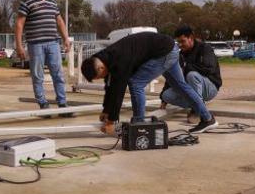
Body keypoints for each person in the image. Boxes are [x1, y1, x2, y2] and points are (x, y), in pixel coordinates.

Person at [80, 31, 217, 136]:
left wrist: (111, 121)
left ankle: (140, 126)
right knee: (181, 86)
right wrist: (106, 110)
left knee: (136, 84)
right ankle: (208, 119)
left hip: (163, 52)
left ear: (100, 68)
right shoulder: (106, 59)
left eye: (99, 76)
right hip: (168, 49)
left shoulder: (119, 61)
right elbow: (110, 87)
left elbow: (119, 91)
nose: (103, 77)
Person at [15, 0, 72, 110]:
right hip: (36, 44)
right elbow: (19, 24)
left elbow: (60, 21)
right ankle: (43, 103)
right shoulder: (27, 1)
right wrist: (19, 46)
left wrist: (66, 38)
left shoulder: (52, 2)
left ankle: (62, 103)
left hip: (53, 43)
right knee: (37, 76)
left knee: (58, 74)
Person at [161, 25, 221, 121]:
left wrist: (186, 67)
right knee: (166, 95)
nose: (180, 44)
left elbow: (209, 69)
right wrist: (163, 101)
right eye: (178, 42)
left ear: (191, 38)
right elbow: (172, 77)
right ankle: (197, 103)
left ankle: (197, 110)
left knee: (192, 75)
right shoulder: (180, 55)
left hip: (210, 87)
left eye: (182, 41)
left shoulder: (205, 48)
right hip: (192, 89)